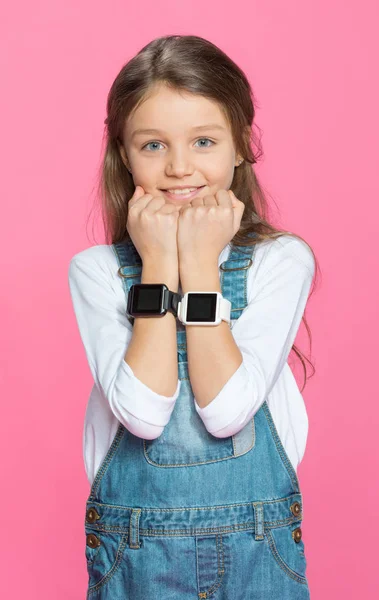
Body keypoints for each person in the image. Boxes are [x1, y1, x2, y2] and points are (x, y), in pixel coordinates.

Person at [68, 34, 318, 599]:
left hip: (260, 548)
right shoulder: (97, 271)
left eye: (203, 140)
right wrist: (158, 263)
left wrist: (202, 266)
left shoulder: (280, 261)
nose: (180, 167)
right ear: (123, 155)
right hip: (136, 556)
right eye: (152, 145)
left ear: (239, 146)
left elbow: (228, 410)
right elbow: (143, 413)